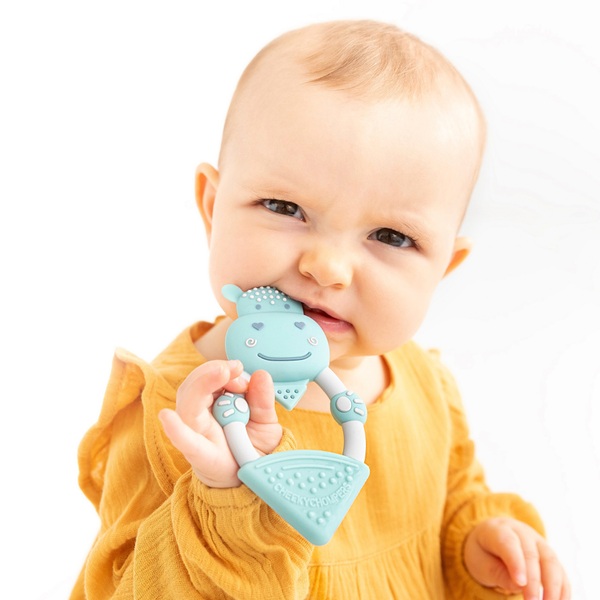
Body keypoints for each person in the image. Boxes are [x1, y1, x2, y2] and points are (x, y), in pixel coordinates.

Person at [70, 20, 570, 600]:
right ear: (212, 208)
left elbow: (452, 498)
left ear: (442, 270)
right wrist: (224, 501)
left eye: (391, 236)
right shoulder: (174, 413)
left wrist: (473, 550)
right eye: (285, 207)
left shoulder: (427, 385)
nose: (328, 267)